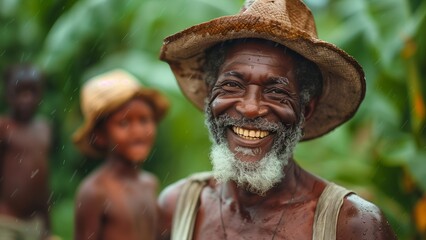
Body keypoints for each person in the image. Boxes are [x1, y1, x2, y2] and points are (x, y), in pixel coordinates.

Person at [158, 0, 397, 239]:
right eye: (232, 85)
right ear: (210, 96)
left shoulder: (351, 224)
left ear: (306, 110)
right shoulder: (177, 207)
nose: (250, 108)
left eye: (276, 92)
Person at [72, 69, 169, 240]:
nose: (138, 131)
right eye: (124, 123)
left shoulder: (150, 184)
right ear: (100, 136)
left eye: (144, 120)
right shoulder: (95, 191)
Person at [0, 64, 52, 239]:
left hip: (34, 224)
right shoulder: (4, 128)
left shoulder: (44, 129)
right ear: (8, 94)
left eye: (32, 92)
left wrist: (47, 223)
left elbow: (42, 180)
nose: (26, 98)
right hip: (6, 222)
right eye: (20, 92)